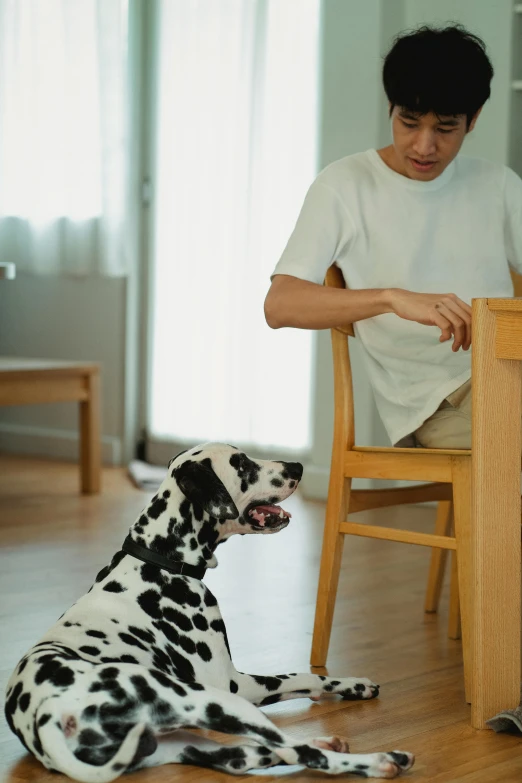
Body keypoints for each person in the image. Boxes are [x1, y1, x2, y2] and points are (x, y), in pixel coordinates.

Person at [264, 23, 522, 450]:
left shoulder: (498, 186)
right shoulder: (345, 185)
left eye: (445, 128)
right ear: (390, 107)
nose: (423, 146)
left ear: (472, 120)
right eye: (409, 122)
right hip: (436, 403)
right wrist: (391, 298)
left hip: (506, 376)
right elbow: (279, 305)